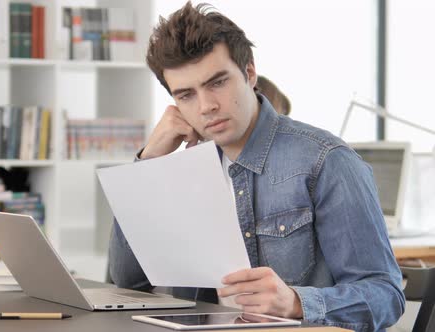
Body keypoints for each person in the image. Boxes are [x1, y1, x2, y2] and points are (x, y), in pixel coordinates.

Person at [108, 2, 404, 331]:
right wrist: (147, 165)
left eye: (217, 82)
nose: (206, 107)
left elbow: (385, 295)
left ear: (249, 73)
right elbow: (126, 284)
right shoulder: (177, 169)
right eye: (186, 95)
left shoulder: (325, 160)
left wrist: (295, 301)